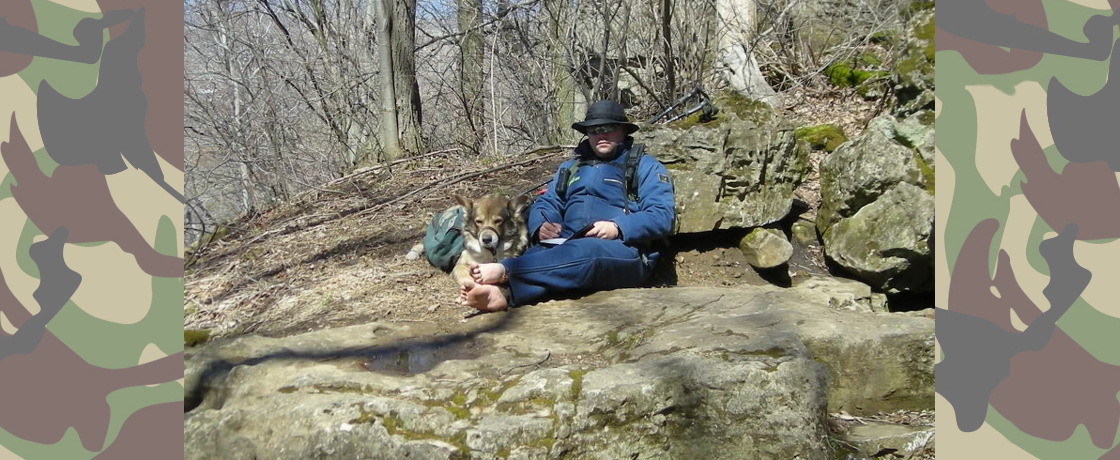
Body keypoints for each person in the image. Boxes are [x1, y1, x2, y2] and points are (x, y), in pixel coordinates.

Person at [460, 100, 676, 311]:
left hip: (622, 249)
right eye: (594, 130)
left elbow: (662, 215)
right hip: (566, 243)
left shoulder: (643, 165)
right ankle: (502, 294)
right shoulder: (571, 167)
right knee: (541, 254)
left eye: (608, 128)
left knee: (585, 252)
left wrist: (617, 227)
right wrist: (542, 224)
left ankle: (505, 272)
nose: (601, 135)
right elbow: (547, 201)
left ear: (623, 131)